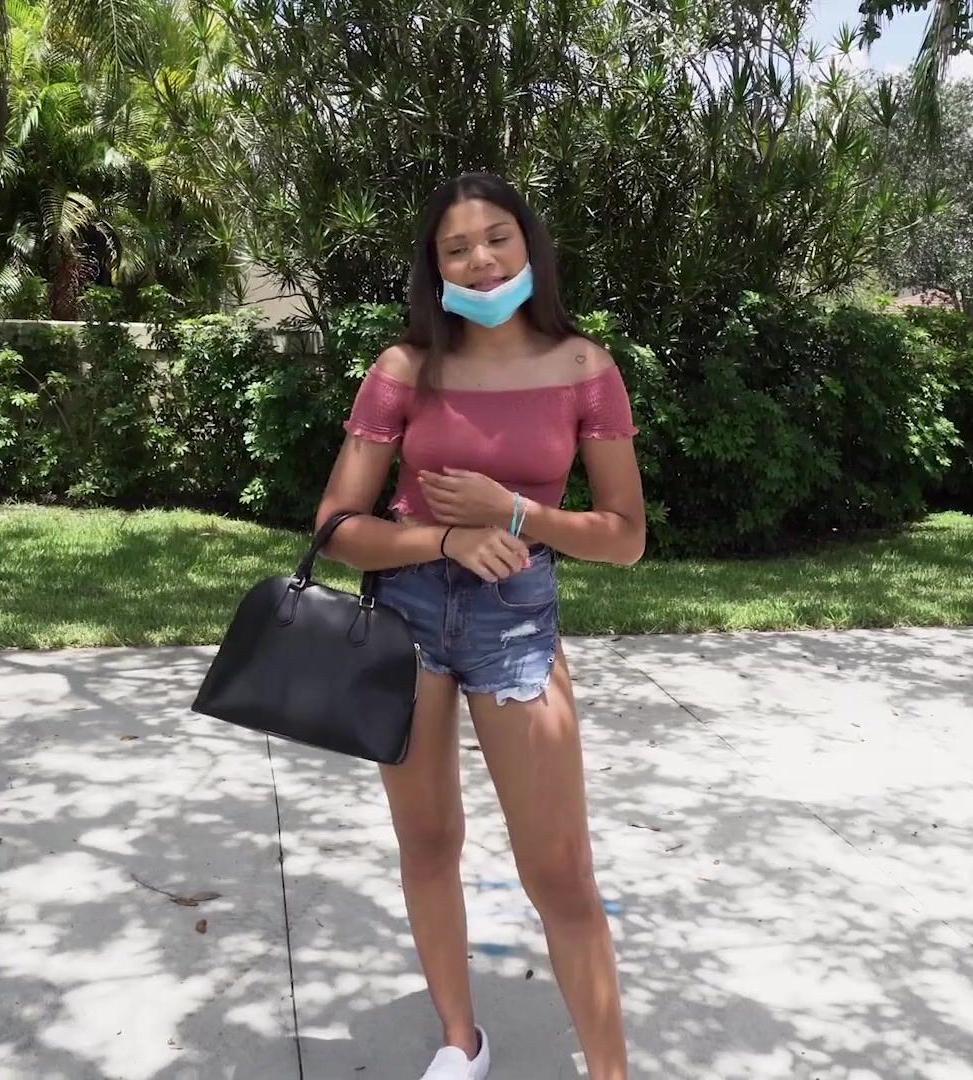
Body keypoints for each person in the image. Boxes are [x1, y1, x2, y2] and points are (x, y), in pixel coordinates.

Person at [315, 172, 645, 1080]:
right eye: (456, 248)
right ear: (435, 268)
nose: (481, 260)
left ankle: (610, 1072)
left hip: (516, 626)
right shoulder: (402, 369)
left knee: (560, 874)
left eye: (497, 238)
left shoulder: (583, 368)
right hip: (407, 617)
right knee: (428, 844)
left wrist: (514, 513)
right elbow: (335, 527)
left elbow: (625, 538)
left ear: (529, 244)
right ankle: (462, 1042)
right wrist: (447, 537)